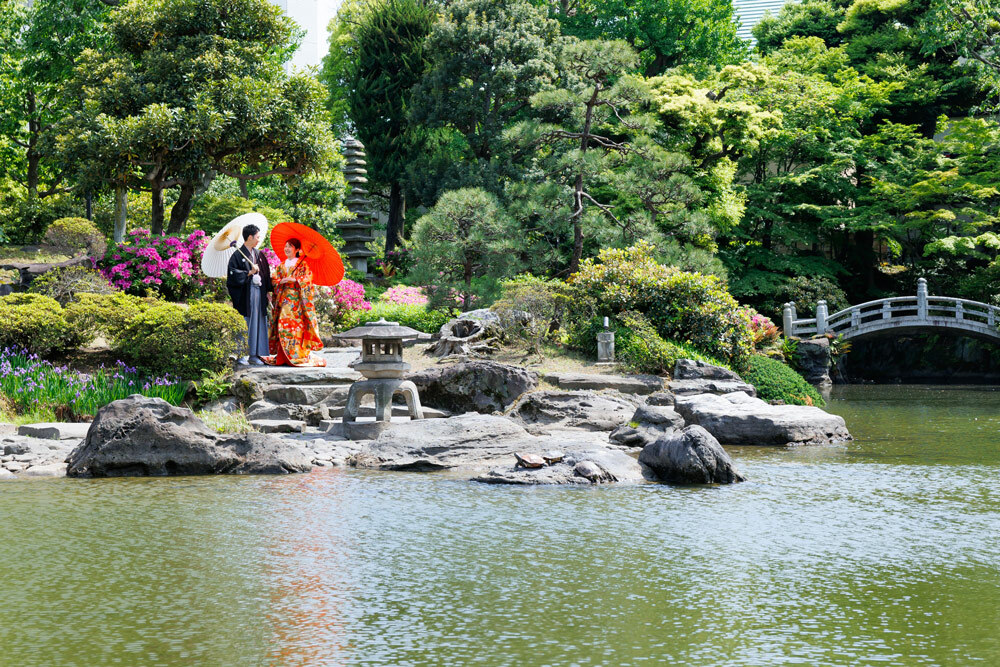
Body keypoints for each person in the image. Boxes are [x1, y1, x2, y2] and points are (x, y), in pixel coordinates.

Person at [264, 238, 327, 367]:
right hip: (283, 299)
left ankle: (296, 355)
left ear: (297, 249)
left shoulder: (302, 264)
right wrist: (280, 281)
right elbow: (274, 280)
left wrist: (295, 280)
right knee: (282, 325)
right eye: (286, 246)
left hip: (297, 301)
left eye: (290, 246)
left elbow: (308, 279)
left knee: (295, 326)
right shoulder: (281, 265)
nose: (286, 249)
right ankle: (282, 356)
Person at [226, 224, 272, 366]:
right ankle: (241, 355)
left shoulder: (259, 254)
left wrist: (268, 292)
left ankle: (255, 355)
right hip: (245, 295)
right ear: (250, 237)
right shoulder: (237, 255)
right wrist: (249, 272)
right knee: (245, 322)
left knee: (258, 322)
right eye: (257, 237)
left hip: (259, 293)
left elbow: (266, 274)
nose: (259, 239)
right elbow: (232, 276)